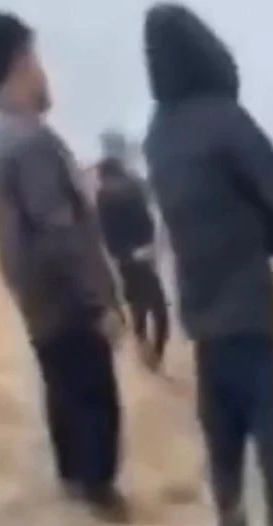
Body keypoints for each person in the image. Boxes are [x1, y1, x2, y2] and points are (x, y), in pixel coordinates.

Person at [142, 4, 273, 526]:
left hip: (202, 321)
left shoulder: (158, 137)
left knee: (224, 454)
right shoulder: (227, 121)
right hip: (251, 315)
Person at [0, 12, 127, 520]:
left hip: (35, 295)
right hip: (66, 295)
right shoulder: (31, 141)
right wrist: (99, 302)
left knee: (61, 389)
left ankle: (75, 487)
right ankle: (99, 497)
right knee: (93, 396)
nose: (45, 73)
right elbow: (59, 230)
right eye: (37, 61)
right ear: (21, 63)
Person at [94, 130, 169, 370]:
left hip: (127, 259)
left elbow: (106, 233)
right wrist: (148, 247)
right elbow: (146, 218)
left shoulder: (104, 192)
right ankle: (153, 354)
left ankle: (146, 347)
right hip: (140, 255)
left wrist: (119, 256)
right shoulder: (130, 186)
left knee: (140, 304)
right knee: (156, 307)